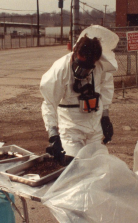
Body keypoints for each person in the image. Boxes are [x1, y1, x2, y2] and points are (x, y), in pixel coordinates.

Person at [40, 25, 119, 160]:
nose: (83, 71)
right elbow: (49, 103)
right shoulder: (60, 70)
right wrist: (53, 135)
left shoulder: (100, 67)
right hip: (72, 130)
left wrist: (105, 117)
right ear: (75, 52)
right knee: (75, 167)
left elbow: (106, 88)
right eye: (80, 64)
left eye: (88, 67)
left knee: (98, 167)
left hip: (94, 128)